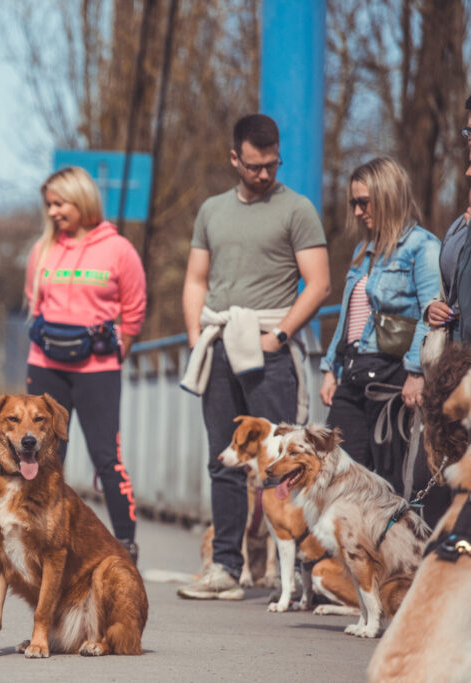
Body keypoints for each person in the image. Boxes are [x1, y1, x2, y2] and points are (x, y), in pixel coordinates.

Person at [178, 114, 330, 600]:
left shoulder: (298, 209)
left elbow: (320, 282)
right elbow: (196, 280)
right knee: (223, 460)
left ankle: (304, 575)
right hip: (220, 341)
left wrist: (281, 337)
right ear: (234, 159)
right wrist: (193, 335)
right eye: (254, 166)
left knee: (285, 462)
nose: (264, 174)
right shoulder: (212, 211)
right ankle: (225, 567)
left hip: (268, 345)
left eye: (272, 164)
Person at [24, 166, 147, 563]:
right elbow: (33, 303)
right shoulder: (42, 249)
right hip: (46, 365)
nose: (54, 211)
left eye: (60, 203)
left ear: (82, 200)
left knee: (106, 458)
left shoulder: (119, 250)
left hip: (97, 369)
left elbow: (134, 310)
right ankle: (40, 537)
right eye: (49, 205)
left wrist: (117, 351)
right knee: (41, 454)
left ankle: (125, 543)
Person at [318, 158, 440, 495]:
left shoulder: (423, 248)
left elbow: (433, 315)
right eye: (353, 203)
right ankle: (345, 549)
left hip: (392, 375)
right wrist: (331, 366)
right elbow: (348, 317)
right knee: (335, 478)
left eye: (363, 202)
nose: (357, 211)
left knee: (387, 484)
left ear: (387, 196)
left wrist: (416, 372)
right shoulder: (363, 251)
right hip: (354, 372)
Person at [425, 94, 471, 343]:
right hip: (455, 361)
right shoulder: (458, 227)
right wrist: (435, 308)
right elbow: (450, 290)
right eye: (469, 133)